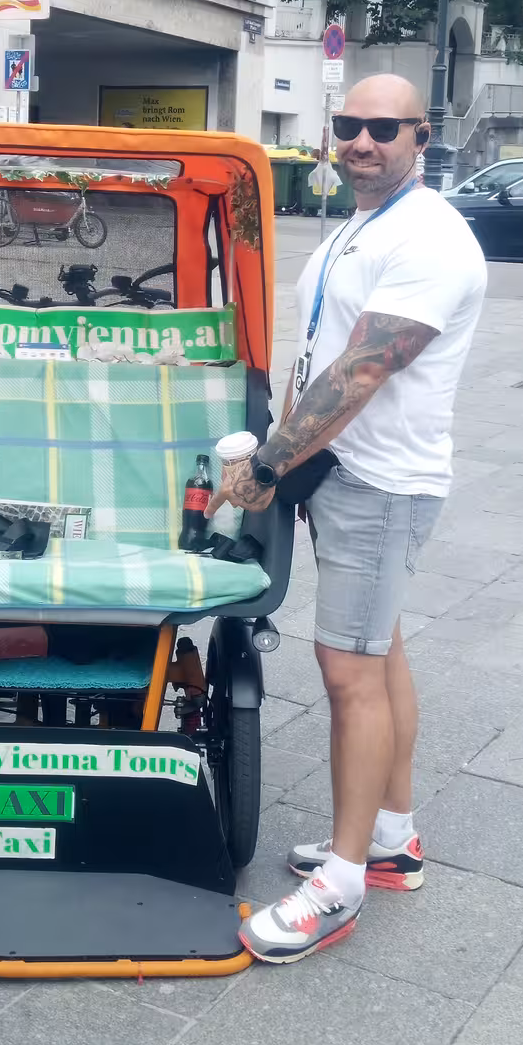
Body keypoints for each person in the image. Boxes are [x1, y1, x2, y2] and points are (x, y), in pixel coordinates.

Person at [209, 74, 486, 963]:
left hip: (380, 482)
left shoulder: (433, 239)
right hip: (344, 469)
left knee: (348, 675)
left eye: (382, 128)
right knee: (380, 649)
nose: (361, 140)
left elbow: (362, 371)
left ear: (421, 133)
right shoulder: (365, 220)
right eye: (350, 125)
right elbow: (321, 351)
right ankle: (392, 840)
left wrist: (266, 465)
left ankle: (340, 883)